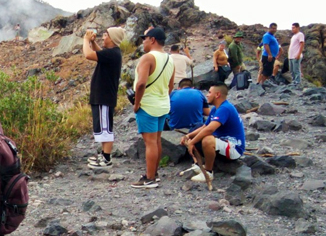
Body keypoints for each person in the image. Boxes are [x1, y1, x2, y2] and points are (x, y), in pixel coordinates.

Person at [132, 27, 174, 189]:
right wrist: (163, 97)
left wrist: (137, 104)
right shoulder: (170, 59)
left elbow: (141, 83)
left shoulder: (148, 58)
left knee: (149, 143)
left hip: (148, 105)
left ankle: (149, 179)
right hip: (163, 104)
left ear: (153, 40)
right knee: (156, 140)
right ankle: (154, 174)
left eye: (145, 38)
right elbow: (170, 86)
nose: (143, 41)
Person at [180, 84, 246, 183]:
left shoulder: (225, 108)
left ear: (217, 94)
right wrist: (188, 136)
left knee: (207, 139)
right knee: (197, 128)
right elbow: (204, 127)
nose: (207, 95)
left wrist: (192, 142)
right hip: (222, 141)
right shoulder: (215, 109)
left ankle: (208, 172)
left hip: (234, 147)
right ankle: (199, 165)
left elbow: (210, 129)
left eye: (210, 92)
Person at [83, 27, 126, 168]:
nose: (103, 37)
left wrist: (86, 40)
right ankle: (103, 155)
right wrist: (93, 43)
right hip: (102, 96)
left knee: (106, 127)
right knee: (102, 127)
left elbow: (89, 55)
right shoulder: (111, 53)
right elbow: (99, 53)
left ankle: (106, 159)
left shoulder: (113, 53)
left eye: (106, 35)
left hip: (104, 96)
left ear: (112, 38)